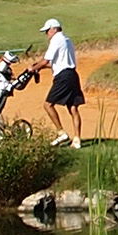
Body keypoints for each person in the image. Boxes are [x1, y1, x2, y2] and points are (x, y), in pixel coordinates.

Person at [40, 17, 87, 145]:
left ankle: (61, 133)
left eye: (47, 31)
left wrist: (33, 68)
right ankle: (77, 139)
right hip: (72, 75)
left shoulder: (56, 40)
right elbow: (58, 63)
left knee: (48, 105)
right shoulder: (67, 40)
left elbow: (46, 61)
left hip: (63, 77)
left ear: (54, 29)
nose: (47, 34)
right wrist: (40, 67)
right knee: (73, 108)